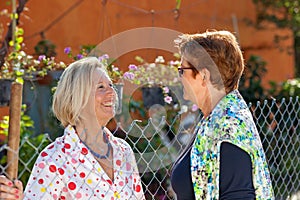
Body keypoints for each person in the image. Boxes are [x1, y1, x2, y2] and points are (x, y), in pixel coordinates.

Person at [0, 57, 145, 200]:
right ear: (78, 98)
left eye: (111, 86)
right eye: (100, 87)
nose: (112, 93)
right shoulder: (54, 159)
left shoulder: (124, 151)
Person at [170, 30, 274, 199]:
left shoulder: (228, 129)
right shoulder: (215, 120)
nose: (179, 77)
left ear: (204, 75)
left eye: (182, 70)